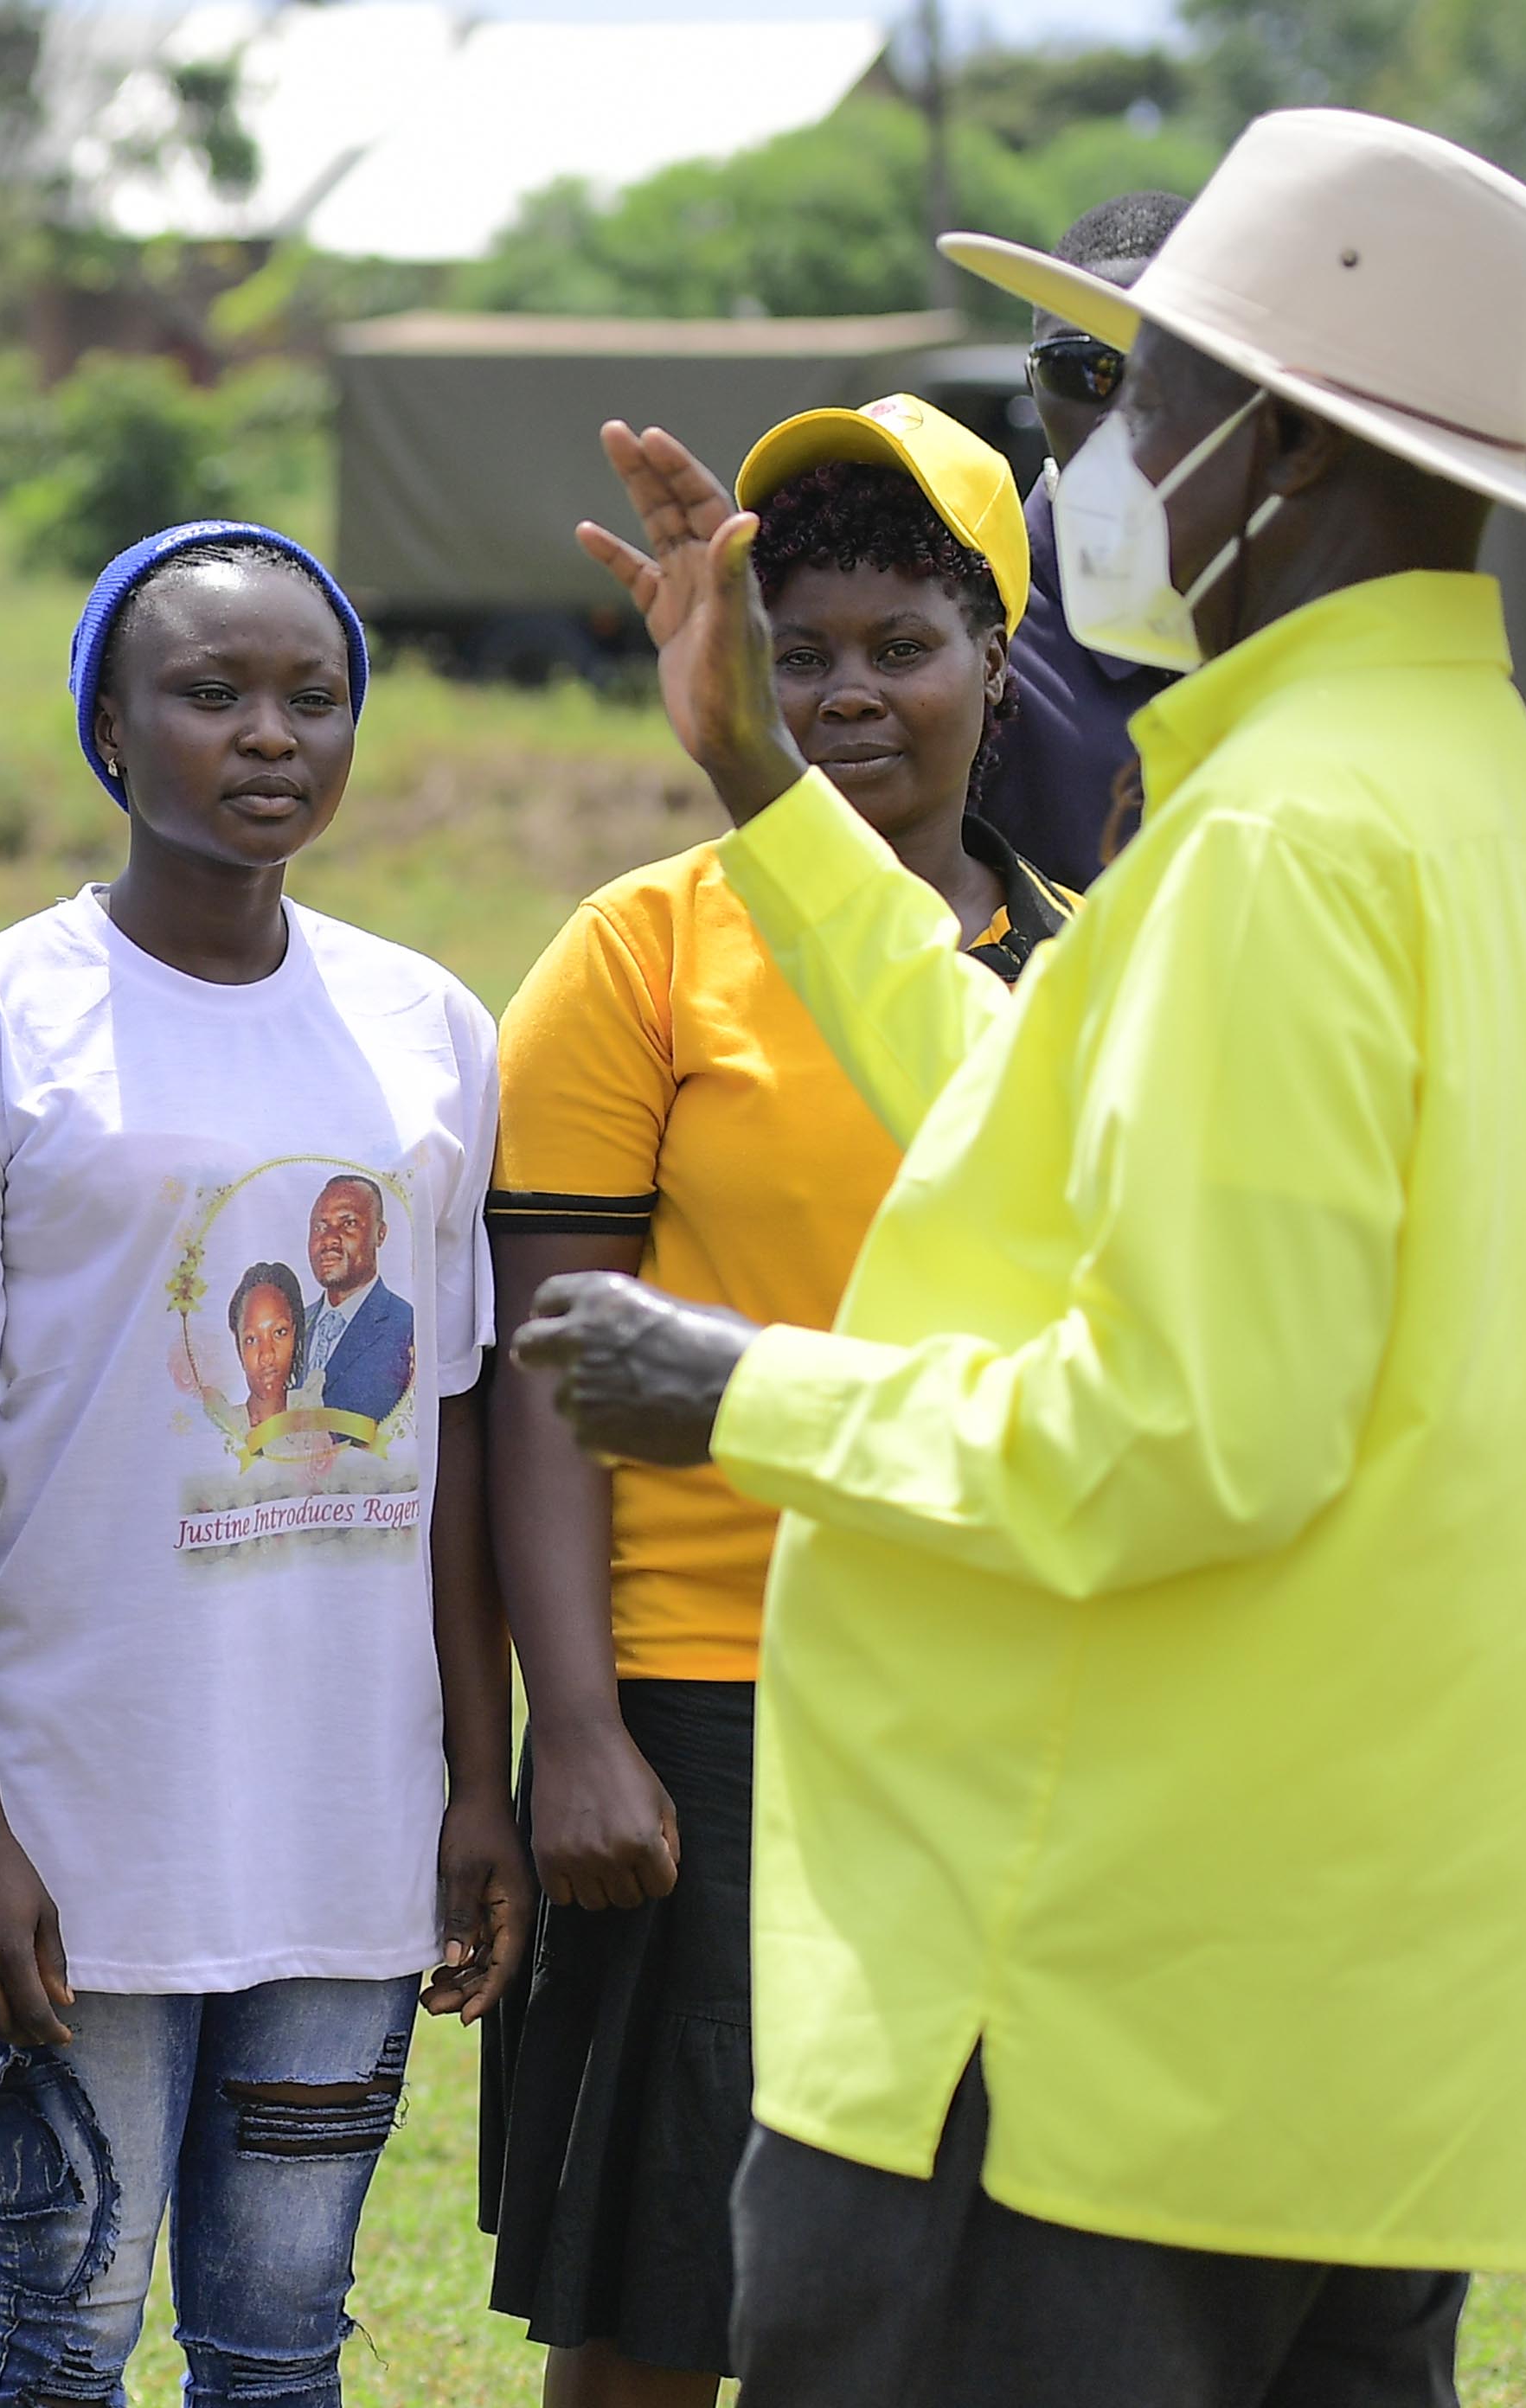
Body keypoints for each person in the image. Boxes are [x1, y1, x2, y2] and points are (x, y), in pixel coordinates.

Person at [533, 108, 1526, 2405]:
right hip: (1352, 2005)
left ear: (1269, 447)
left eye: (1130, 398)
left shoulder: (1281, 840)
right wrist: (771, 790)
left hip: (1095, 2016)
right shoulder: (1474, 802)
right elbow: (1033, 1112)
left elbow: (1182, 1433)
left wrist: (733, 1392)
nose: (1086, 456)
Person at [0, 521, 530, 2408]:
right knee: (60, 2342)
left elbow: (462, 1427)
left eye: (312, 698)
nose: (270, 737)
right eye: (212, 693)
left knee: (280, 2350)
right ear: (107, 726)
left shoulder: (428, 1030)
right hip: (87, 1830)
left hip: (349, 1816)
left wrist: (473, 1788)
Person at [479, 394, 1074, 2408]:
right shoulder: (641, 951)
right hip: (710, 1704)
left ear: (995, 666)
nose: (840, 693)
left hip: (994, 1715)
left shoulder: (1081, 980)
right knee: (665, 2296)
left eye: (896, 645)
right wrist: (575, 1730)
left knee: (945, 2295)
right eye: (794, 648)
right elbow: (539, 1369)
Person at [987, 191, 1191, 888]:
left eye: (1168, 371)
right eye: (1083, 368)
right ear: (1031, 382)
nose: (1126, 409)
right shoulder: (968, 630)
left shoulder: (1294, 621)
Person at [298, 1172, 414, 1424]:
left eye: (348, 1223)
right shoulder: (292, 1327)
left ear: (380, 1234)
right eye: (319, 1226)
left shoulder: (407, 1327)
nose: (329, 1239)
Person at [231, 1259, 311, 1430]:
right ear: (239, 1349)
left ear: (294, 1334)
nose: (267, 1355)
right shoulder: (226, 1433)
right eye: (251, 1340)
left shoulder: (318, 1423)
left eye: (279, 1332)